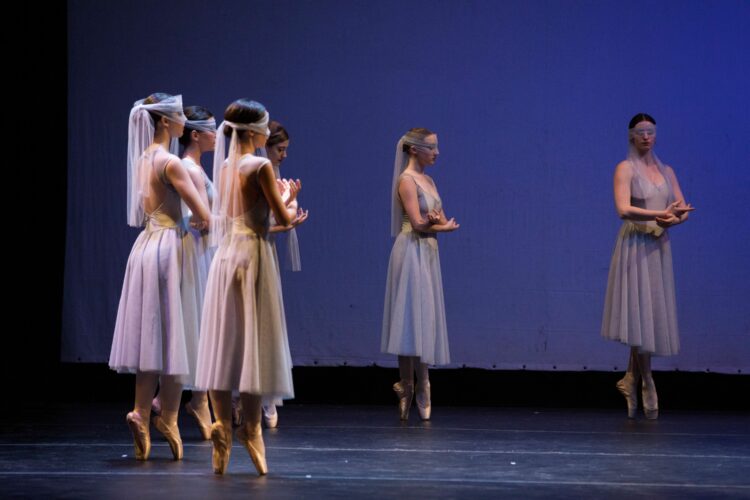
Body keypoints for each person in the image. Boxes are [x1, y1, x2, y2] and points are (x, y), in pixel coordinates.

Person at [195, 99, 301, 475]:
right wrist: (289, 199)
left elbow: (233, 214)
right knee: (254, 344)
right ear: (255, 131)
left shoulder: (224, 167)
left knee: (225, 344)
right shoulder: (259, 166)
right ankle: (252, 429)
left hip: (226, 256)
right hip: (253, 255)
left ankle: (223, 424)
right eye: (265, 127)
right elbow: (281, 217)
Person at [109, 93, 211, 460]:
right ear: (165, 122)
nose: (185, 121)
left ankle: (140, 411)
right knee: (176, 333)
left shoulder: (143, 159)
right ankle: (167, 416)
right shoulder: (171, 162)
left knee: (152, 335)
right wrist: (205, 220)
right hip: (171, 248)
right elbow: (202, 215)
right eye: (180, 115)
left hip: (145, 246)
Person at [601, 113, 694, 420]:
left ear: (656, 134)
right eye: (640, 131)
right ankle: (648, 381)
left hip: (659, 245)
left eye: (650, 131)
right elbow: (622, 209)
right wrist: (657, 216)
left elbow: (682, 209)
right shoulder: (625, 168)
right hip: (635, 244)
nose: (645, 136)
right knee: (639, 311)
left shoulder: (667, 170)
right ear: (631, 135)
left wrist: (672, 220)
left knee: (649, 313)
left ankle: (630, 378)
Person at [381, 128, 459, 421]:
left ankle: (421, 383)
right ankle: (409, 384)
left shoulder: (430, 180)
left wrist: (441, 224)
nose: (437, 152)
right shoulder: (407, 180)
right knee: (408, 319)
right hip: (411, 250)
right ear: (414, 150)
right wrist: (436, 224)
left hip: (427, 251)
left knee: (423, 317)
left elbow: (438, 219)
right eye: (431, 147)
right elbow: (416, 222)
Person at [152, 105, 218, 440]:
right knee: (196, 325)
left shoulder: (195, 167)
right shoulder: (188, 168)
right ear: (195, 135)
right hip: (195, 253)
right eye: (211, 130)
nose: (216, 135)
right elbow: (201, 219)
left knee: (201, 326)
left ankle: (194, 399)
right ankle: (190, 400)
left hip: (203, 251)